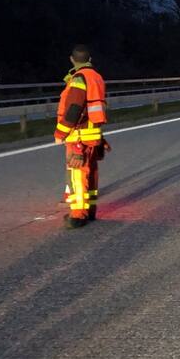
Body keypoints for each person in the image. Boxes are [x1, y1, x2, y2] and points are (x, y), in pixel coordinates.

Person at [54, 45, 109, 229]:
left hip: (78, 134)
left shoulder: (79, 78)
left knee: (77, 174)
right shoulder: (97, 77)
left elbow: (75, 107)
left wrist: (61, 132)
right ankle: (90, 210)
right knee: (91, 172)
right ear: (90, 59)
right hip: (93, 133)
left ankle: (78, 215)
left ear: (72, 59)